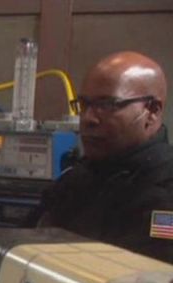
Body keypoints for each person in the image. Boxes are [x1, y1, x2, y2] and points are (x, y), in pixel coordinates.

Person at [36, 51, 173, 263]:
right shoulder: (76, 180)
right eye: (84, 105)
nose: (88, 118)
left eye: (107, 105)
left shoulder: (164, 191)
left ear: (152, 110)